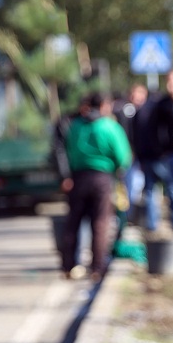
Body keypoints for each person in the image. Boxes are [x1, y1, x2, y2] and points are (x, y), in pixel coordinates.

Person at [60, 93, 131, 282]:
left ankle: (68, 265)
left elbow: (68, 151)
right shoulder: (109, 127)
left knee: (73, 222)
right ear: (103, 106)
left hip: (79, 178)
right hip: (102, 178)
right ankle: (97, 268)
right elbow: (123, 157)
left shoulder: (75, 127)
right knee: (100, 223)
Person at [135, 69, 173, 233]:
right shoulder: (162, 105)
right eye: (169, 81)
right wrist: (160, 148)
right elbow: (154, 129)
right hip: (170, 154)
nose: (171, 84)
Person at [115, 83, 150, 224]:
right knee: (127, 186)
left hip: (144, 155)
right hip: (129, 155)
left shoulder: (147, 111)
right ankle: (127, 216)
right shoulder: (126, 111)